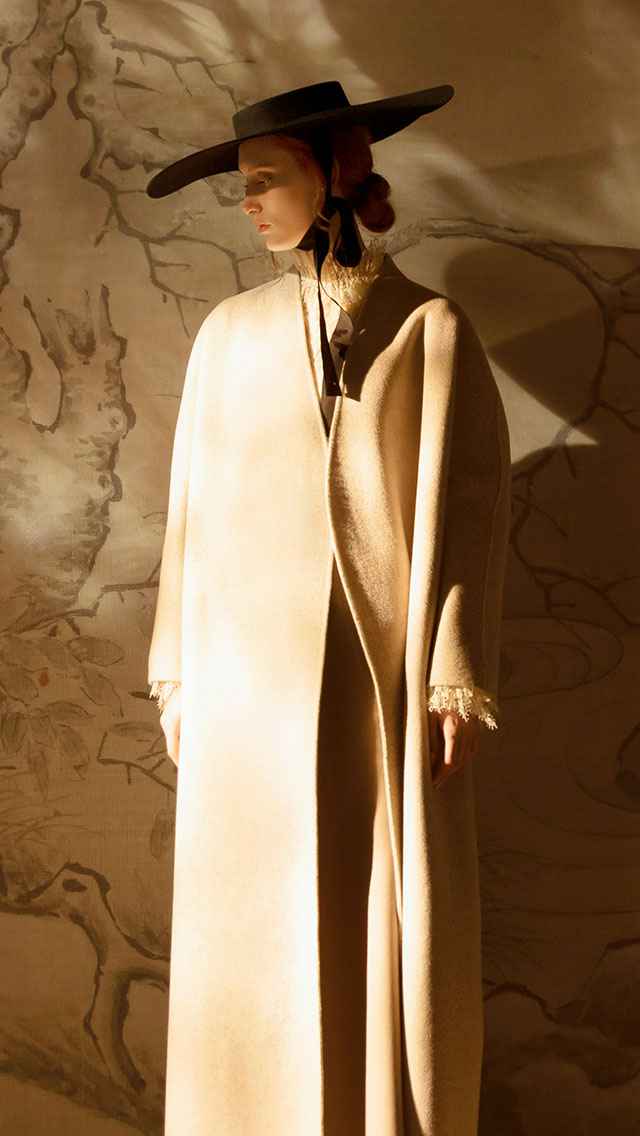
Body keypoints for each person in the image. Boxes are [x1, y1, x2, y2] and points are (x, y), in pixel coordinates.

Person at [146, 81, 511, 1136]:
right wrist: (178, 670)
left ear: (334, 174)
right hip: (244, 690)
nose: (249, 202)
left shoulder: (428, 329)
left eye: (265, 179)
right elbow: (188, 513)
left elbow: (469, 508)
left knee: (368, 901)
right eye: (244, 184)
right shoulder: (226, 334)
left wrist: (452, 672)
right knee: (252, 923)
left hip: (372, 672)